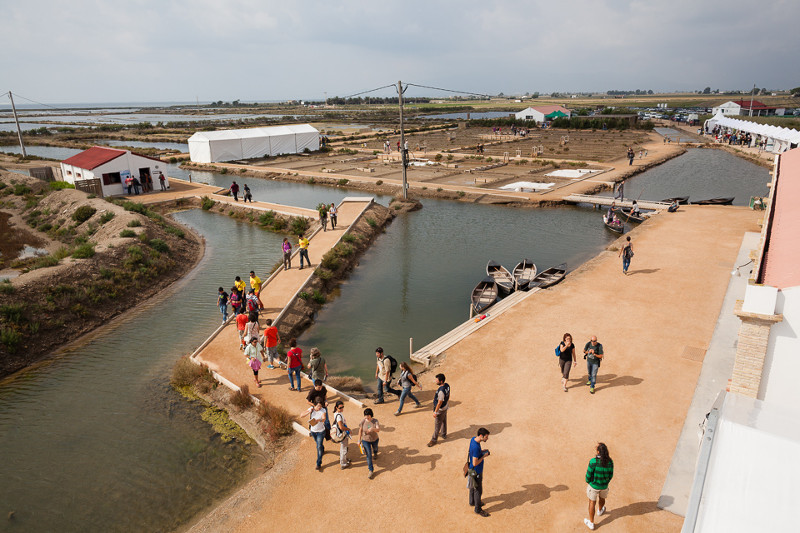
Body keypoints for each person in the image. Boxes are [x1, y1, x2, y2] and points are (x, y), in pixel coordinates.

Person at [584, 442, 614, 530]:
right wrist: (605, 482)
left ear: (598, 452)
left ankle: (591, 523)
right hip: (604, 486)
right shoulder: (610, 462)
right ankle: (600, 510)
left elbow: (588, 475)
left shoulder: (593, 461)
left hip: (593, 486)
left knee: (592, 502)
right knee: (602, 499)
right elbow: (611, 475)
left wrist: (588, 481)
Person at [468, 428, 491, 517]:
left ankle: (472, 502)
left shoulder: (473, 439)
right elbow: (475, 462)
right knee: (478, 490)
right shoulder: (476, 447)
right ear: (481, 436)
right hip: (477, 471)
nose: (487, 438)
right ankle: (478, 509)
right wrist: (484, 456)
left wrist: (481, 452)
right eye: (486, 437)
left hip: (471, 470)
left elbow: (472, 453)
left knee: (472, 486)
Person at [427, 373, 450, 447]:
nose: (435, 381)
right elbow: (448, 395)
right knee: (444, 421)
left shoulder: (441, 391)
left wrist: (435, 412)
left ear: (441, 381)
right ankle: (443, 434)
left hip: (440, 409)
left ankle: (434, 440)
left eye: (437, 380)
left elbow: (439, 402)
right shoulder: (447, 385)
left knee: (437, 425)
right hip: (445, 406)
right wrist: (446, 402)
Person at [358, 408, 380, 479]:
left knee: (375, 448)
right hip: (365, 440)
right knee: (369, 455)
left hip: (374, 439)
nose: (366, 417)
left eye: (368, 415)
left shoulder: (375, 421)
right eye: (365, 415)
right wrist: (359, 440)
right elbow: (360, 430)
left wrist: (373, 429)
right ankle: (371, 470)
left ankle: (375, 453)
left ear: (371, 415)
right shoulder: (363, 421)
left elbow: (378, 429)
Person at [308, 398, 327, 471]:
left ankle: (318, 464)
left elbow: (324, 419)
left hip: (321, 431)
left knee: (318, 446)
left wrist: (318, 420)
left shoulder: (323, 410)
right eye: (318, 406)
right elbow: (301, 415)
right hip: (313, 431)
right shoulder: (311, 409)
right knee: (319, 444)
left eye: (321, 406)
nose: (320, 407)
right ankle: (322, 448)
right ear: (315, 405)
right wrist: (308, 411)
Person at [332, 401, 351, 469]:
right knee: (344, 448)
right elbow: (341, 427)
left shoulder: (336, 413)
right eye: (340, 408)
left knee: (343, 447)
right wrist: (348, 429)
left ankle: (344, 459)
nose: (342, 409)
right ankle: (343, 463)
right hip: (342, 434)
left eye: (342, 407)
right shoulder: (339, 416)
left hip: (339, 433)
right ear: (336, 407)